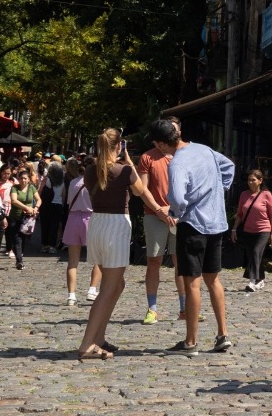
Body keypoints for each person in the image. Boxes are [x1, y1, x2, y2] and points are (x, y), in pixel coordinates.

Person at [76, 129, 173, 360]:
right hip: (116, 225)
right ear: (119, 146)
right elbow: (141, 191)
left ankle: (98, 337)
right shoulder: (124, 170)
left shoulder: (90, 170)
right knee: (109, 287)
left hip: (98, 224)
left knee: (117, 285)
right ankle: (87, 344)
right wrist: (130, 163)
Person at [157, 118, 237, 354]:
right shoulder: (203, 149)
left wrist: (174, 211)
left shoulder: (176, 163)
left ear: (161, 144)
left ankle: (190, 341)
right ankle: (222, 334)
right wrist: (217, 191)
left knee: (192, 282)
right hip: (216, 221)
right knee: (213, 279)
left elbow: (179, 199)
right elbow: (229, 166)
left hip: (193, 225)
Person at [137, 135, 181, 325]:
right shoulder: (148, 157)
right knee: (154, 260)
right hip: (154, 215)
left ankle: (186, 307)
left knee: (181, 261)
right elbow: (142, 189)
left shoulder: (183, 155)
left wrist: (178, 211)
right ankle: (152, 309)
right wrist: (159, 210)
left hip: (180, 216)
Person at [60, 159, 102, 306]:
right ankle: (92, 288)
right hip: (90, 218)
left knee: (72, 261)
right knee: (99, 258)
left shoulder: (72, 183)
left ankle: (71, 295)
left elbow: (65, 200)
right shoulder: (94, 183)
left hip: (72, 219)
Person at [231, 169, 272, 292]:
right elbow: (240, 214)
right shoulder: (244, 195)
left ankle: (252, 280)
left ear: (260, 181)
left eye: (253, 180)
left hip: (263, 230)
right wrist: (234, 229)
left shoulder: (266, 195)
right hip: (248, 231)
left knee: (256, 252)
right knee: (254, 256)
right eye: (249, 180)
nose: (250, 182)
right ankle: (260, 279)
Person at [41, 157, 67, 254]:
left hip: (46, 204)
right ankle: (52, 246)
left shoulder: (46, 179)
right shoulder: (62, 181)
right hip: (58, 204)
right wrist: (62, 203)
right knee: (54, 226)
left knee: (45, 225)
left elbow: (40, 191)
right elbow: (63, 195)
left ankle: (44, 245)